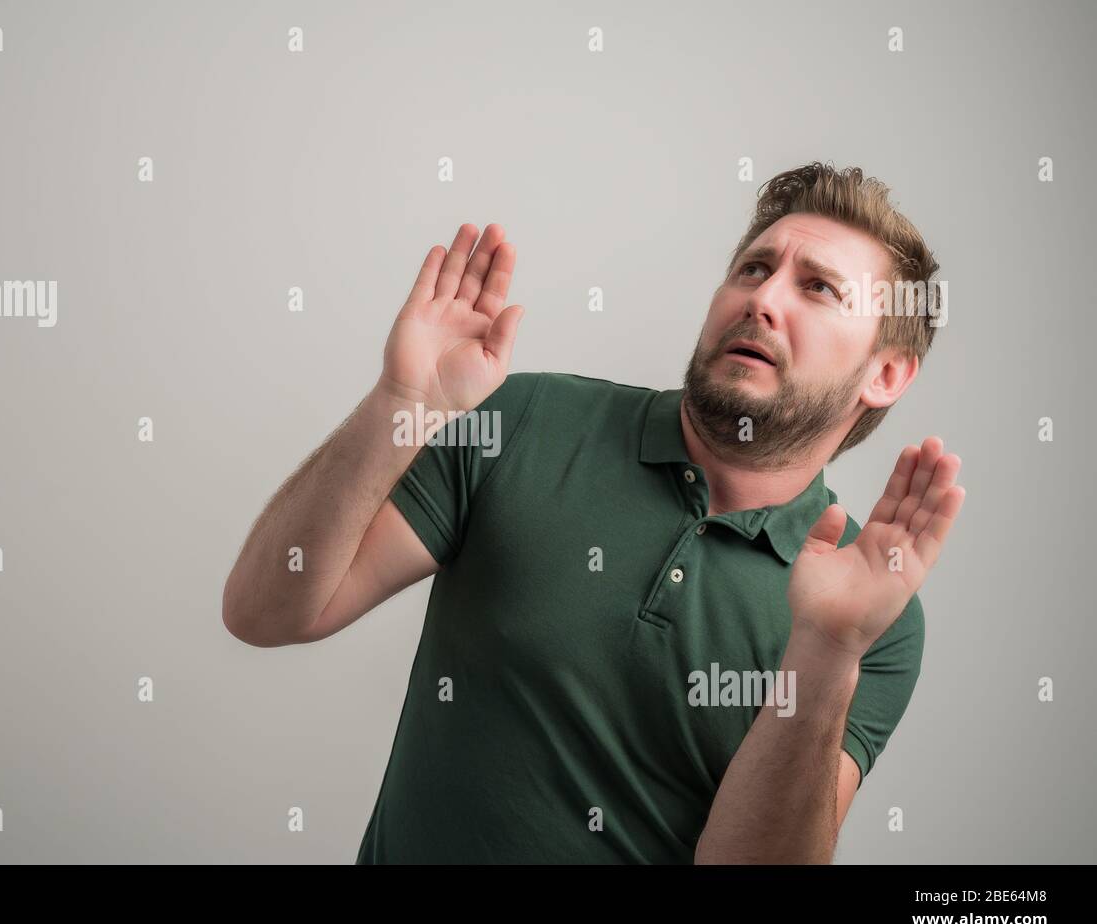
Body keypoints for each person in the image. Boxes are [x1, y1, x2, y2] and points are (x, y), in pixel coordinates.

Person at [221, 162, 967, 864]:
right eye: (754, 268)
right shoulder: (528, 419)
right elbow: (269, 612)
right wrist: (402, 404)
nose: (763, 299)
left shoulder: (879, 618)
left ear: (887, 372)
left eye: (819, 289)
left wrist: (828, 648)